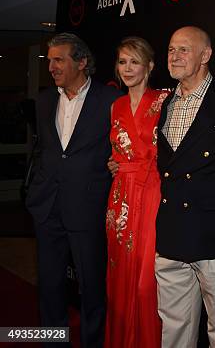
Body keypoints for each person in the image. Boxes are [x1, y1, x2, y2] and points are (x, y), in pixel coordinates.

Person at [26, 32, 121, 347]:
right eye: (49, 59)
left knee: (92, 287)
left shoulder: (109, 101)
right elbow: (45, 150)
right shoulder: (43, 100)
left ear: (81, 62)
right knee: (50, 286)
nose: (51, 66)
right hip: (48, 206)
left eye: (58, 59)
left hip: (87, 208)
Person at [155, 26, 215, 348]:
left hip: (212, 237)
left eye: (184, 50)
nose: (174, 56)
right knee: (174, 328)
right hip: (172, 233)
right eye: (171, 49)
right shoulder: (166, 103)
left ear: (206, 56)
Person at [104, 37, 168, 347]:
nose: (127, 68)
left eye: (134, 62)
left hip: (153, 193)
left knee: (146, 283)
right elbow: (116, 151)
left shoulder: (165, 100)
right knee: (119, 276)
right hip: (120, 198)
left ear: (150, 66)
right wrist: (113, 163)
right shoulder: (115, 106)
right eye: (122, 62)